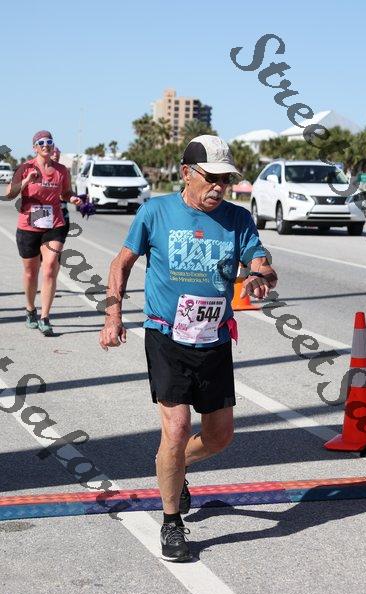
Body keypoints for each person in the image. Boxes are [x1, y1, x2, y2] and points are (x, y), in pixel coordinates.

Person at [99, 135, 278, 561]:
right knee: (177, 428)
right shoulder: (155, 212)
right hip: (166, 336)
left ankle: (174, 466)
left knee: (219, 437)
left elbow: (262, 264)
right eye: (211, 177)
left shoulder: (237, 219)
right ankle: (171, 522)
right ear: (186, 173)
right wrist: (112, 316)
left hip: (214, 339)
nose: (219, 187)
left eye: (226, 180)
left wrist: (260, 276)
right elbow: (120, 263)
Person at [5, 130, 82, 336]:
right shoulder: (25, 168)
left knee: (49, 268)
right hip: (28, 226)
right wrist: (26, 181)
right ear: (35, 147)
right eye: (41, 142)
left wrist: (72, 198)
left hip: (54, 224)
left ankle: (45, 317)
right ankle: (30, 309)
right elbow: (9, 193)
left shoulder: (61, 170)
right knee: (31, 272)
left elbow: (66, 192)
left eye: (49, 142)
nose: (46, 145)